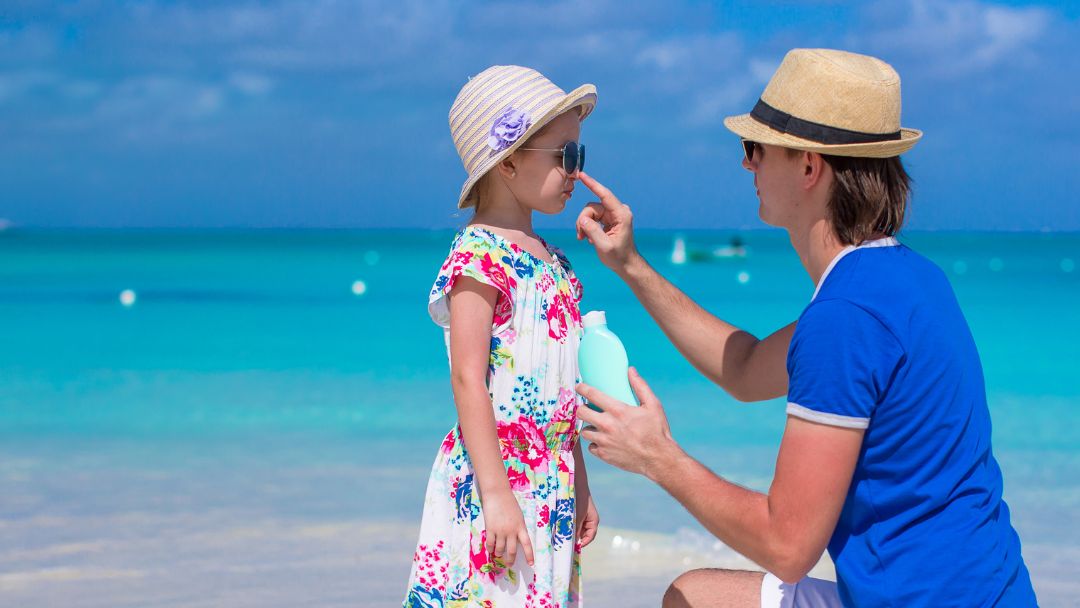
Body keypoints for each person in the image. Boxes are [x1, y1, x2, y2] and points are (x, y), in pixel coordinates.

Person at [572, 49, 1037, 607]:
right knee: (693, 596)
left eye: (756, 150)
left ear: (809, 167)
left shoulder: (846, 320)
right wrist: (631, 265)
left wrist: (657, 457)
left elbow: (787, 545)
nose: (748, 166)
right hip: (991, 592)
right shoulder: (908, 278)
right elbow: (743, 370)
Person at [403, 65, 601, 608]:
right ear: (508, 160)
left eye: (578, 157)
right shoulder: (479, 258)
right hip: (496, 474)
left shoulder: (557, 266)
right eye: (564, 156)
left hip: (551, 479)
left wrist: (580, 482)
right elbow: (468, 378)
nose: (575, 173)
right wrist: (494, 494)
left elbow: (565, 391)